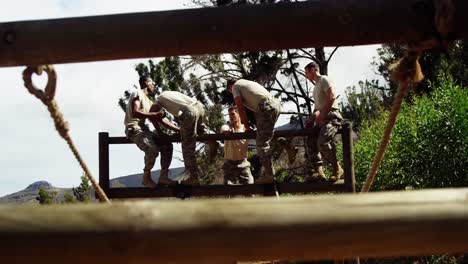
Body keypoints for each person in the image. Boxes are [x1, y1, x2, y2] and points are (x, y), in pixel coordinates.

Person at [151, 90, 217, 185]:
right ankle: (212, 139)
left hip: (190, 112)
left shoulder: (158, 101)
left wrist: (160, 132)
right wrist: (180, 130)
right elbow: (163, 120)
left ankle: (193, 177)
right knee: (201, 132)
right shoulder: (169, 95)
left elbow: (153, 115)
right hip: (199, 107)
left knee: (187, 146)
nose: (163, 113)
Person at [124, 75, 176, 188]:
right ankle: (146, 177)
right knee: (152, 149)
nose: (154, 86)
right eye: (152, 83)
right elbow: (135, 112)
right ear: (146, 83)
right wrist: (154, 114)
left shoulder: (149, 102)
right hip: (134, 128)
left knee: (166, 144)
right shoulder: (137, 93)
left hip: (144, 130)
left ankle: (163, 176)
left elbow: (157, 119)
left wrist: (168, 132)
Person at [227, 79, 281, 184]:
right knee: (267, 137)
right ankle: (283, 143)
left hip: (265, 107)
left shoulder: (235, 87)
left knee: (261, 143)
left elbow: (240, 108)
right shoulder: (248, 83)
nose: (232, 94)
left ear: (230, 87)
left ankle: (269, 175)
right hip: (276, 104)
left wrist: (246, 127)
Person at [304, 62, 344, 182]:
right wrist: (312, 119)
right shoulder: (315, 87)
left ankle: (337, 168)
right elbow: (317, 108)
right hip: (323, 118)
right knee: (310, 140)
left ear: (313, 69)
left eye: (306, 72)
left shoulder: (324, 80)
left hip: (332, 117)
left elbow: (331, 97)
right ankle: (319, 172)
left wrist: (322, 115)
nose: (306, 75)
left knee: (322, 141)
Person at [220, 106, 254, 185]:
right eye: (229, 115)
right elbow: (224, 128)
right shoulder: (228, 126)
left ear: (239, 115)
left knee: (250, 186)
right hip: (229, 164)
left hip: (243, 163)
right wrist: (226, 131)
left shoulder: (245, 128)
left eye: (233, 114)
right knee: (227, 187)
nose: (230, 117)